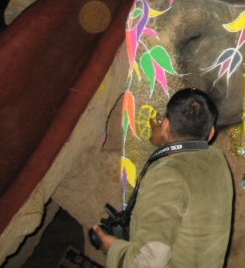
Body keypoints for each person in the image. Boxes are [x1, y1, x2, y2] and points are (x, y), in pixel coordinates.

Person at [92, 88, 233, 268]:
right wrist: (166, 139)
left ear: (165, 125)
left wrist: (113, 248)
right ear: (211, 132)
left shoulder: (167, 176)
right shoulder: (216, 159)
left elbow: (150, 262)